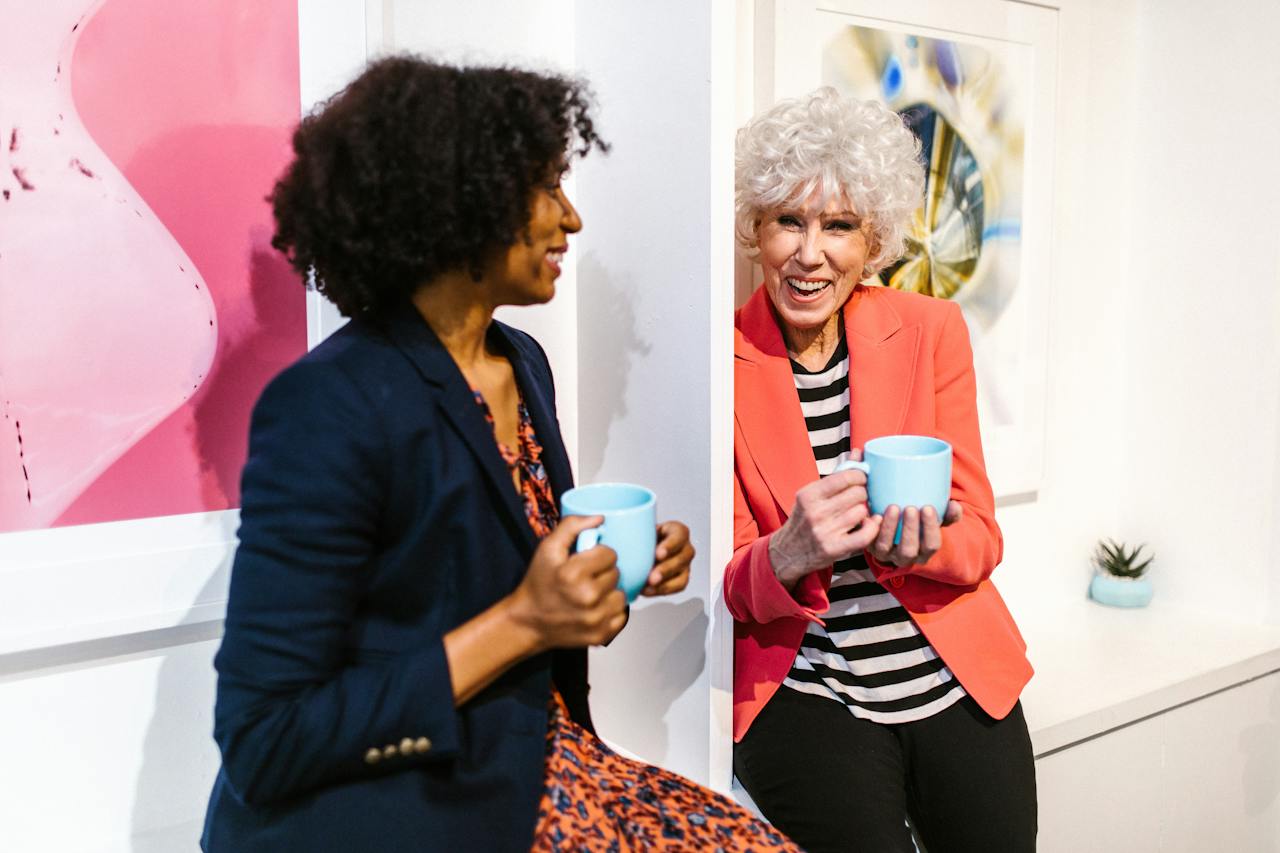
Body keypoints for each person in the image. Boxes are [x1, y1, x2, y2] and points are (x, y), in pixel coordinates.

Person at [201, 57, 798, 853]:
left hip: (531, 761)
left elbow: (487, 574)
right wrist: (527, 619)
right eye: (548, 187)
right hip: (401, 806)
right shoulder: (327, 405)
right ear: (460, 201)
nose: (572, 219)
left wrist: (604, 581)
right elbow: (264, 739)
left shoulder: (521, 363)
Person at [725, 87, 1038, 852]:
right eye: (788, 221)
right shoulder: (720, 362)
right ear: (755, 230)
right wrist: (788, 552)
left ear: (873, 242)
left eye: (839, 226)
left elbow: (983, 537)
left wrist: (925, 543)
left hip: (954, 675)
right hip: (808, 694)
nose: (810, 252)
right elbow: (730, 584)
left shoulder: (931, 330)